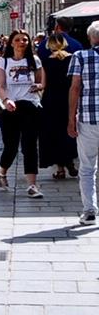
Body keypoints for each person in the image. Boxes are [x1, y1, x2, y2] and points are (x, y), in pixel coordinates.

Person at [0, 29, 46, 199]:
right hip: (10, 107)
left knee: (30, 146)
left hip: (30, 105)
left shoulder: (34, 60)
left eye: (25, 40)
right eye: (17, 39)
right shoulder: (4, 61)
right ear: (11, 43)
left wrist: (38, 86)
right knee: (11, 146)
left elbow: (41, 81)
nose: (22, 42)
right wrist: (6, 100)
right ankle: (2, 172)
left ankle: (32, 185)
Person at [67, 21, 99, 224]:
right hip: (89, 118)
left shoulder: (80, 56)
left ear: (90, 38)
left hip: (89, 119)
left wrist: (71, 118)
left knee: (87, 168)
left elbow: (75, 88)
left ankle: (90, 211)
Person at [40, 33, 79, 180]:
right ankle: (70, 161)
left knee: (54, 133)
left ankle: (60, 169)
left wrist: (35, 87)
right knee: (69, 129)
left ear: (49, 45)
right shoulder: (73, 59)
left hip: (50, 100)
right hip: (68, 98)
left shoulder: (46, 61)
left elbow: (43, 84)